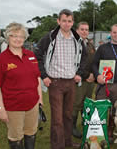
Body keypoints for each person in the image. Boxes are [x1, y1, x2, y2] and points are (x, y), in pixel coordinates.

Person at [35, 9, 87, 149]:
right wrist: (44, 76)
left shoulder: (77, 39)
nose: (66, 23)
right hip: (55, 82)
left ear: (73, 22)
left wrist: (80, 73)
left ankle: (68, 142)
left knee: (68, 116)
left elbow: (84, 57)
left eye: (69, 21)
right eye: (63, 20)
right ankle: (58, 146)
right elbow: (37, 55)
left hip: (71, 83)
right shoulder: (50, 37)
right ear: (58, 21)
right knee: (57, 119)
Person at [0, 22, 43, 149]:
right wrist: (1, 109)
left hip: (32, 104)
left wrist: (40, 99)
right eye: (14, 36)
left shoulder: (31, 55)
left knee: (31, 133)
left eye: (21, 36)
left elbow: (37, 78)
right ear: (7, 37)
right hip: (13, 107)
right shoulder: (1, 59)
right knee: (16, 137)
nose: (18, 39)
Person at [92, 24, 117, 143]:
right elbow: (94, 64)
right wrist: (97, 75)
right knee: (101, 108)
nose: (116, 35)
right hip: (104, 84)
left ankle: (110, 132)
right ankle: (98, 132)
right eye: (114, 32)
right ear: (111, 33)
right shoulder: (103, 48)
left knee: (116, 110)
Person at [72, 22, 96, 139]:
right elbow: (73, 64)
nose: (85, 32)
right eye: (82, 29)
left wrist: (93, 75)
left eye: (87, 30)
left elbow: (94, 61)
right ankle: (72, 126)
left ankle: (85, 122)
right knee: (76, 103)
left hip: (90, 80)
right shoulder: (73, 44)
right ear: (77, 31)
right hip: (79, 79)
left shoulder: (90, 45)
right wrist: (86, 75)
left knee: (87, 102)